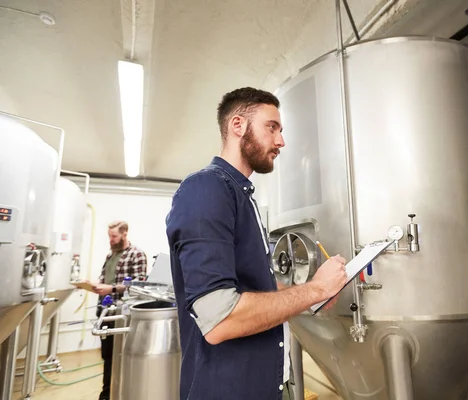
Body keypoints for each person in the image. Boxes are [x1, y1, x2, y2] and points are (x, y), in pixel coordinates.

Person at [166, 87, 348, 400]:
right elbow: (220, 318)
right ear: (238, 125)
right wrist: (316, 289)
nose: (281, 141)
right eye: (272, 127)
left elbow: (249, 291)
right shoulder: (207, 188)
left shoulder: (242, 196)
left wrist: (309, 295)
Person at [93, 221, 147, 400]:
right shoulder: (110, 256)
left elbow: (137, 284)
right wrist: (95, 285)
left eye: (114, 236)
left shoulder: (136, 254)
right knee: (107, 356)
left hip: (121, 313)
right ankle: (107, 393)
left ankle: (121, 393)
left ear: (124, 234)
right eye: (109, 236)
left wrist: (111, 289)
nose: (111, 239)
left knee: (120, 356)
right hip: (105, 311)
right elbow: (103, 278)